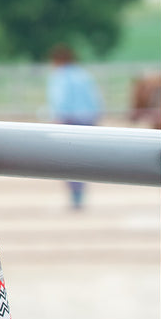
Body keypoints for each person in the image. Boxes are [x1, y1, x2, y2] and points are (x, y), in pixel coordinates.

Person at [47, 43, 103, 208]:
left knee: (67, 160)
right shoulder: (83, 74)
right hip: (88, 119)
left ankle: (75, 195)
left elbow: (60, 100)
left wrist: (57, 118)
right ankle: (80, 193)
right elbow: (95, 98)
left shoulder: (60, 75)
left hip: (69, 120)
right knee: (83, 158)